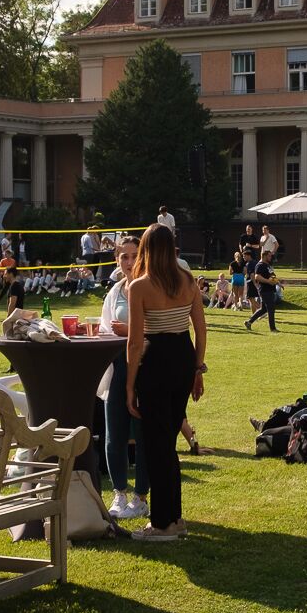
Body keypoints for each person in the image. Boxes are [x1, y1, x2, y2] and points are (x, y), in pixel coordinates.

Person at [125, 224, 206, 543]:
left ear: (145, 249)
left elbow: (135, 342)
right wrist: (197, 369)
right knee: (167, 443)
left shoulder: (139, 286)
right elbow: (201, 330)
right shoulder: (188, 280)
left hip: (155, 361)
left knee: (156, 447)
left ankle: (162, 524)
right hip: (183, 358)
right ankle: (175, 518)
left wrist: (129, 386)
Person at [99, 236, 148, 520]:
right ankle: (119, 492)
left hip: (145, 366)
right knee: (113, 432)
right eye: (124, 257)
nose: (129, 262)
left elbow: (157, 328)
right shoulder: (114, 291)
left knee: (143, 433)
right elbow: (105, 327)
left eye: (134, 256)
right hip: (118, 365)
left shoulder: (150, 288)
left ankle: (141, 497)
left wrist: (129, 331)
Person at [245, 250, 280, 332]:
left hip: (270, 290)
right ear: (264, 256)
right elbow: (257, 276)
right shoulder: (260, 265)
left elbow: (272, 276)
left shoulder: (267, 265)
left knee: (264, 309)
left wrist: (278, 283)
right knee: (271, 308)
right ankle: (273, 329)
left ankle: (249, 322)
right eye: (269, 256)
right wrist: (268, 281)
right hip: (265, 290)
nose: (271, 257)